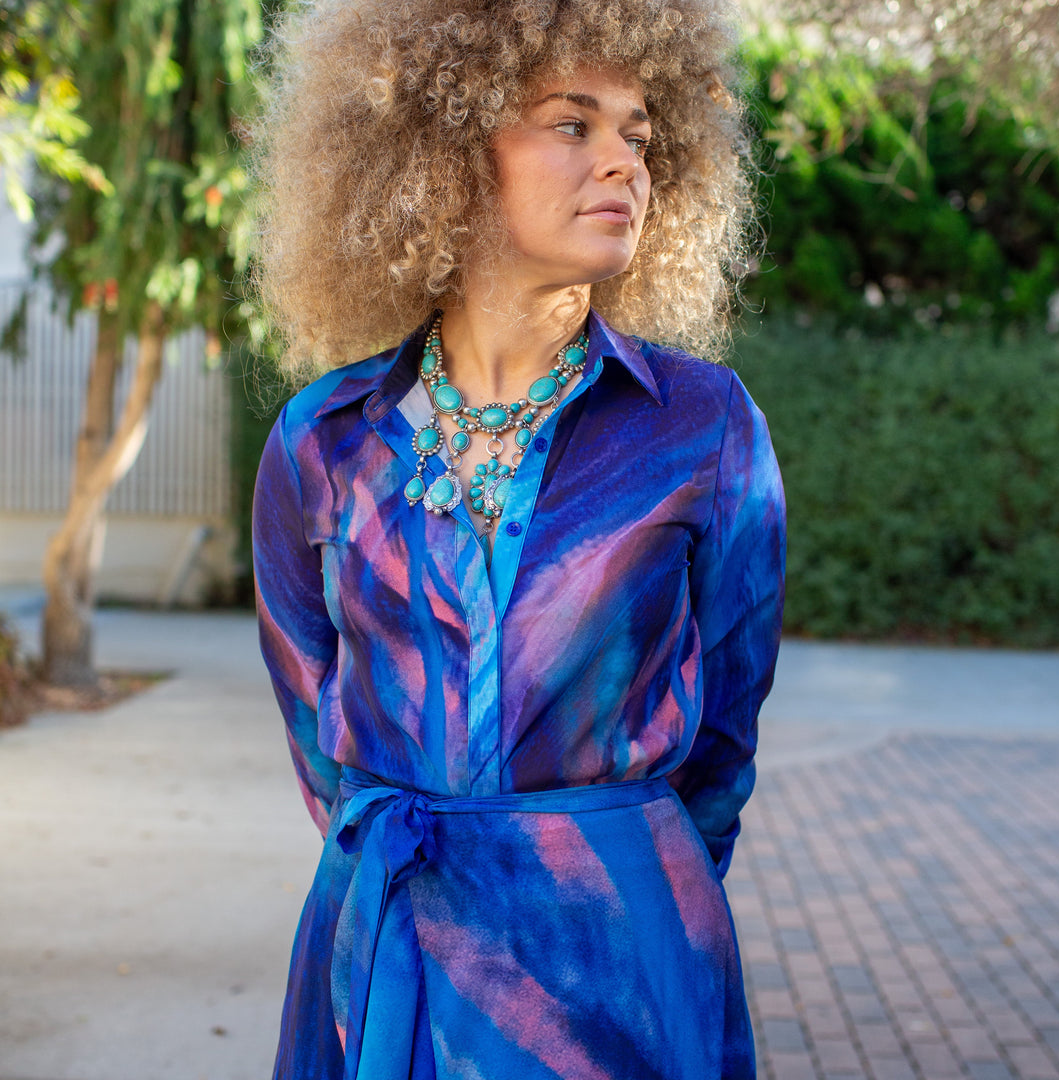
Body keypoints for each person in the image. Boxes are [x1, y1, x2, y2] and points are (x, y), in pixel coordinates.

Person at [250, 0, 785, 1077]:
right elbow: (318, 728)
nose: (624, 163)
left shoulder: (701, 428)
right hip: (386, 949)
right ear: (446, 145)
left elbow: (725, 734)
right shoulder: (324, 441)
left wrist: (614, 869)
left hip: (621, 960)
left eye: (638, 134)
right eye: (573, 123)